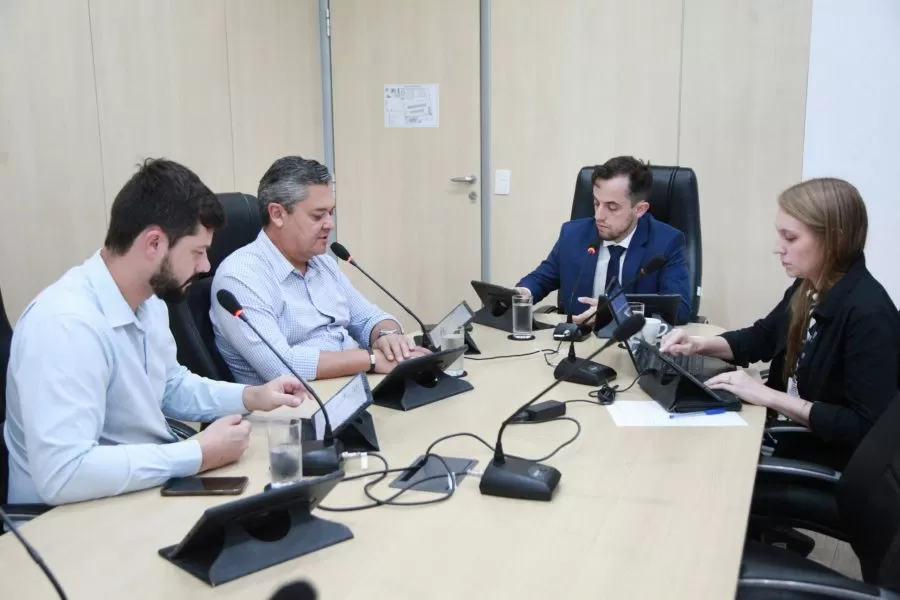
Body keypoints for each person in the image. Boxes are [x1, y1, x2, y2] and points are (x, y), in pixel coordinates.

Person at [4, 159, 309, 507]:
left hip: (133, 489)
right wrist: (195, 454)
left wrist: (251, 396)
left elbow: (170, 386)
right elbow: (64, 474)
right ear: (153, 243)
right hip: (64, 517)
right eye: (197, 252)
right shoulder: (65, 325)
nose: (205, 266)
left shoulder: (149, 301)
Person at [661, 178, 900, 470]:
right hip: (787, 438)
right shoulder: (809, 286)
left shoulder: (869, 314)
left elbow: (866, 429)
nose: (778, 248)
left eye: (790, 238)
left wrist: (769, 396)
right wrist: (699, 345)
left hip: (820, 463)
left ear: (834, 241)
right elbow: (764, 337)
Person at [211, 156, 429, 384]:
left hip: (352, 384)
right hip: (299, 400)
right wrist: (371, 359)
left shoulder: (322, 262)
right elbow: (282, 365)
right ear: (277, 214)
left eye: (330, 213)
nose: (330, 224)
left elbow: (369, 319)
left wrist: (389, 338)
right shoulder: (240, 276)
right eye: (318, 215)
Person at [515, 156, 692, 325]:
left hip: (632, 341)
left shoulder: (666, 242)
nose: (599, 216)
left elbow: (680, 310)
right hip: (577, 339)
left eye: (612, 207)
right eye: (596, 203)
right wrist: (523, 292)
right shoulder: (572, 235)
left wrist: (613, 310)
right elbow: (542, 278)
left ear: (640, 209)